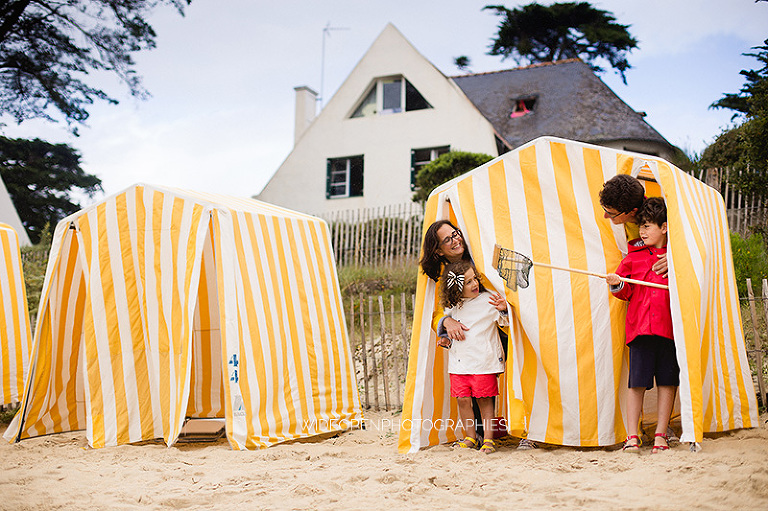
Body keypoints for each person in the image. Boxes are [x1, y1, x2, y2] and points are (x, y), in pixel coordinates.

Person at [420, 220, 536, 449]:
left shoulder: (479, 255)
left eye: (455, 234)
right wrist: (446, 321)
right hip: (471, 343)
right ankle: (478, 435)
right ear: (438, 250)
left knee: (507, 382)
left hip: (497, 324)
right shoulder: (444, 276)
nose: (456, 240)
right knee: (469, 392)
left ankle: (526, 430)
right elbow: (438, 311)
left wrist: (505, 310)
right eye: (448, 239)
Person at [605, 197, 679, 454]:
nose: (643, 231)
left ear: (664, 227)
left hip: (669, 331)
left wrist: (676, 261)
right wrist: (617, 283)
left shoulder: (677, 258)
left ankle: (661, 435)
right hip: (640, 331)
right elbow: (625, 293)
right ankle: (632, 437)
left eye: (648, 226)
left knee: (668, 382)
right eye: (641, 226)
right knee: (636, 384)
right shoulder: (632, 258)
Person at [439, 259, 508, 454]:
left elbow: (505, 323)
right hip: (459, 363)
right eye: (468, 282)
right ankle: (470, 437)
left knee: (485, 400)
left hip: (483, 361)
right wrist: (445, 340)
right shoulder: (452, 308)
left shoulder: (489, 300)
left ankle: (488, 439)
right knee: (462, 400)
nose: (475, 283)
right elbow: (450, 333)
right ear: (456, 289)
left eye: (475, 278)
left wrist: (504, 309)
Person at [599, 174, 668, 277]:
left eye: (612, 214)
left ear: (632, 212)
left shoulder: (660, 213)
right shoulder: (624, 208)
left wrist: (674, 256)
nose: (605, 216)